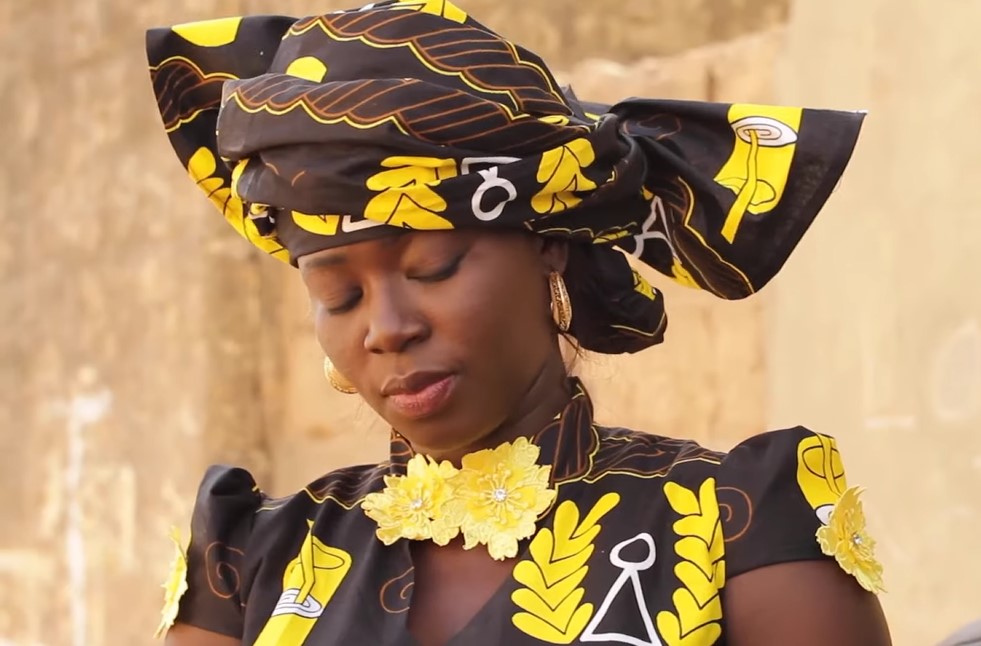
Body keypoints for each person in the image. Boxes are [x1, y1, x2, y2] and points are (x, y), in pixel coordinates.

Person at [146, 1, 891, 644]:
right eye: (339, 295)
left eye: (432, 267)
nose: (387, 327)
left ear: (546, 244)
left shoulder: (735, 529)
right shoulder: (253, 563)